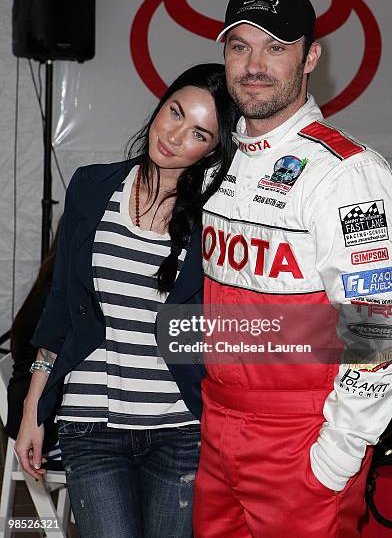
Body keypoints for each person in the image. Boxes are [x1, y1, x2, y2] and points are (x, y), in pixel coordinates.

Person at [193, 0, 392, 537]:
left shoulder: (346, 173)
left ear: (311, 56)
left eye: (277, 47)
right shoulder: (219, 161)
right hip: (217, 428)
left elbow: (378, 323)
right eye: (240, 46)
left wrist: (336, 454)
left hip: (302, 437)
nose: (254, 64)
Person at [15, 63, 238, 538]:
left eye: (198, 133)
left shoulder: (218, 220)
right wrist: (34, 406)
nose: (175, 136)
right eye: (174, 112)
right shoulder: (91, 186)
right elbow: (60, 304)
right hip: (89, 421)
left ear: (214, 151)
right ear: (161, 104)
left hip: (181, 428)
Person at [5, 227, 61, 466]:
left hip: (32, 410)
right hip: (39, 426)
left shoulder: (49, 282)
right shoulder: (57, 296)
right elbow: (51, 353)